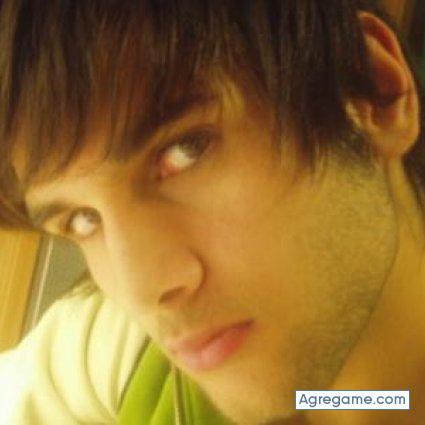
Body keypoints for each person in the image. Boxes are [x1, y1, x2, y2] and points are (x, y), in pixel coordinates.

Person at [0, 0, 424, 424]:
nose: (142, 291)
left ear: (373, 90)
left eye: (185, 151)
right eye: (82, 219)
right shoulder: (114, 351)